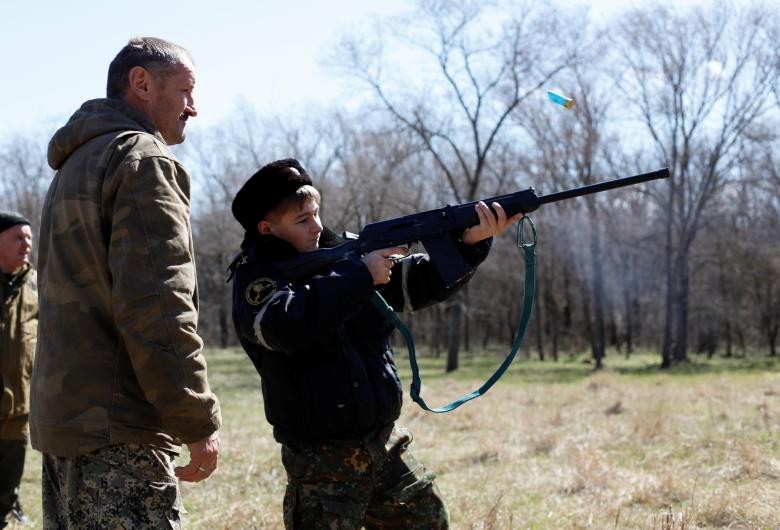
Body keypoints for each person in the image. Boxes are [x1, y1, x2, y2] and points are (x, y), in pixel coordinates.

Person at [229, 159, 521, 529]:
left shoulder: (348, 256)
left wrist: (468, 243)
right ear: (267, 229)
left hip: (384, 446)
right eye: (302, 220)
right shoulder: (258, 282)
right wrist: (361, 275)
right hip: (323, 464)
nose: (317, 227)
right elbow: (286, 327)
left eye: (316, 214)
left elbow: (418, 283)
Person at [30, 37, 221, 529]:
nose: (193, 107)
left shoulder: (77, 163)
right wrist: (196, 420)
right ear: (141, 83)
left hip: (64, 425)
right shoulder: (142, 160)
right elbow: (158, 304)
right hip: (119, 432)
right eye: (185, 90)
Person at [0, 212, 36, 528]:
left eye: (29, 238)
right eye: (18, 237)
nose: (26, 244)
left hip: (19, 401)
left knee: (11, 465)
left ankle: (8, 507)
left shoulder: (38, 286)